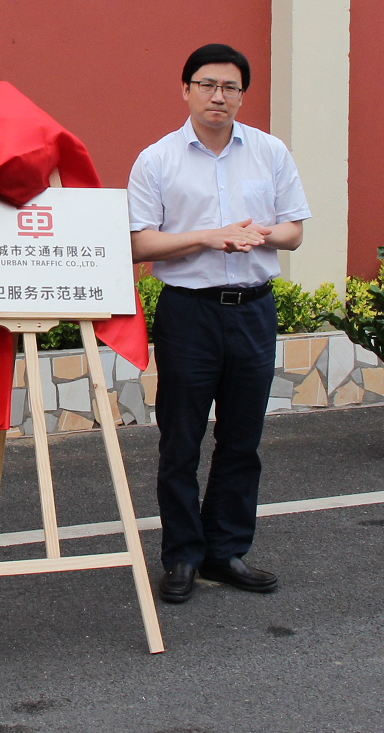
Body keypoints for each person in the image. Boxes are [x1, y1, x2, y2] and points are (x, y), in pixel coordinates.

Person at [127, 43, 311, 604]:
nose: (218, 96)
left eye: (230, 87)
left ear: (241, 95)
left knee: (241, 439)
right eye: (207, 85)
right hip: (189, 313)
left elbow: (293, 230)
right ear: (185, 90)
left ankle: (226, 550)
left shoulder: (270, 152)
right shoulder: (156, 159)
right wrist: (211, 235)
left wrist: (258, 233)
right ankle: (182, 555)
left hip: (253, 308)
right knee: (179, 439)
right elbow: (139, 242)